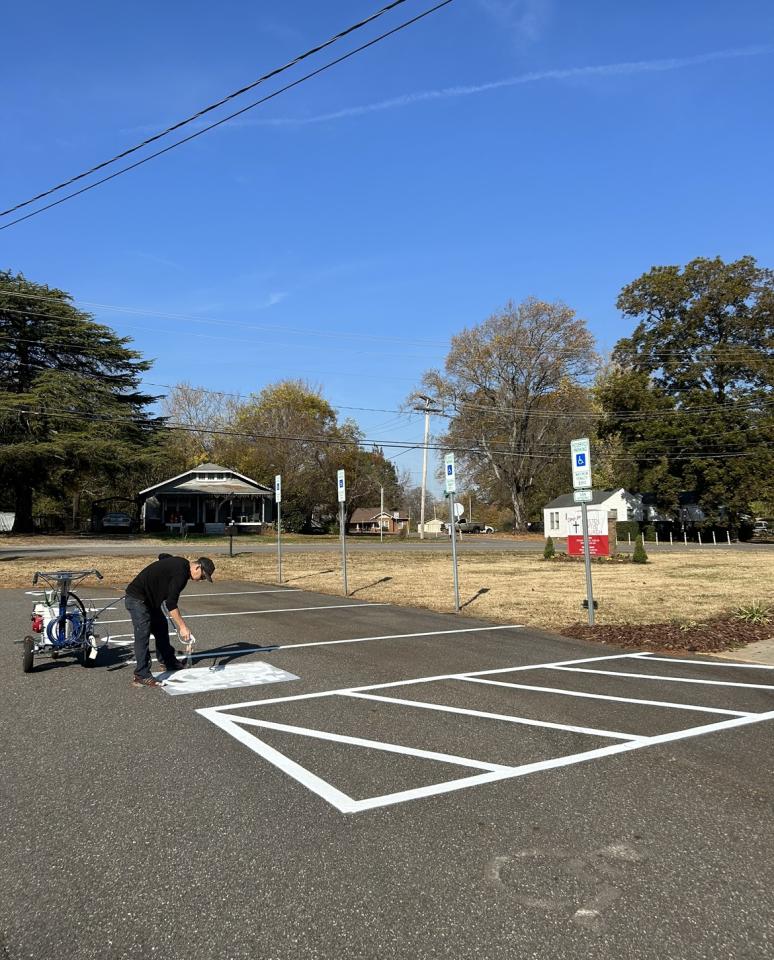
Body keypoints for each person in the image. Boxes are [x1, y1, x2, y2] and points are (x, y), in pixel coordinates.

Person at [125, 555, 215, 688]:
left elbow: (163, 556)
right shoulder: (181, 574)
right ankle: (141, 675)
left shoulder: (181, 563)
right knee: (142, 634)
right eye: (202, 576)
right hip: (137, 599)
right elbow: (171, 603)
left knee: (161, 627)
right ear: (197, 567)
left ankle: (168, 661)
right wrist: (182, 627)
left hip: (150, 602)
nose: (201, 580)